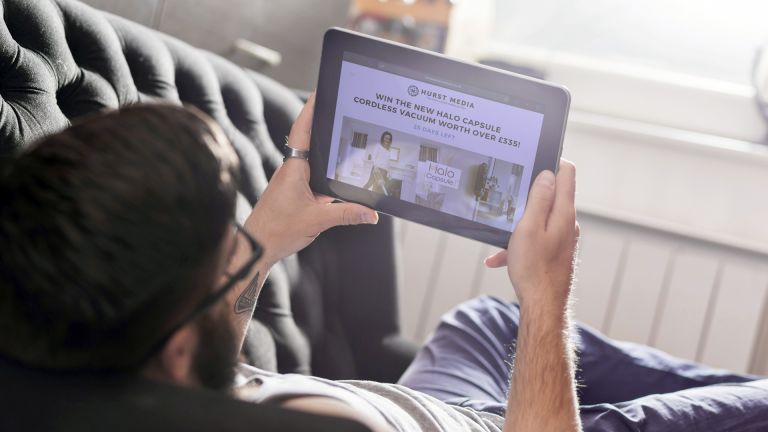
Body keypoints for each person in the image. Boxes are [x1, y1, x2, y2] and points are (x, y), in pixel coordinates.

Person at [1, 97, 767, 432]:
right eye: (233, 262)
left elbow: (204, 364)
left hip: (424, 396)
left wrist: (265, 236)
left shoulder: (125, 353)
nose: (247, 255)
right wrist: (547, 295)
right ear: (174, 350)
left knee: (481, 319)